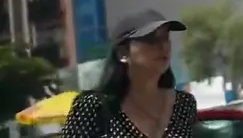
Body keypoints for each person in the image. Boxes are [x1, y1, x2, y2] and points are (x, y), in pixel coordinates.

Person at [61, 10, 197, 138]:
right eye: (151, 39)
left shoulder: (183, 104)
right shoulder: (94, 107)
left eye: (165, 38)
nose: (163, 46)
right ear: (123, 53)